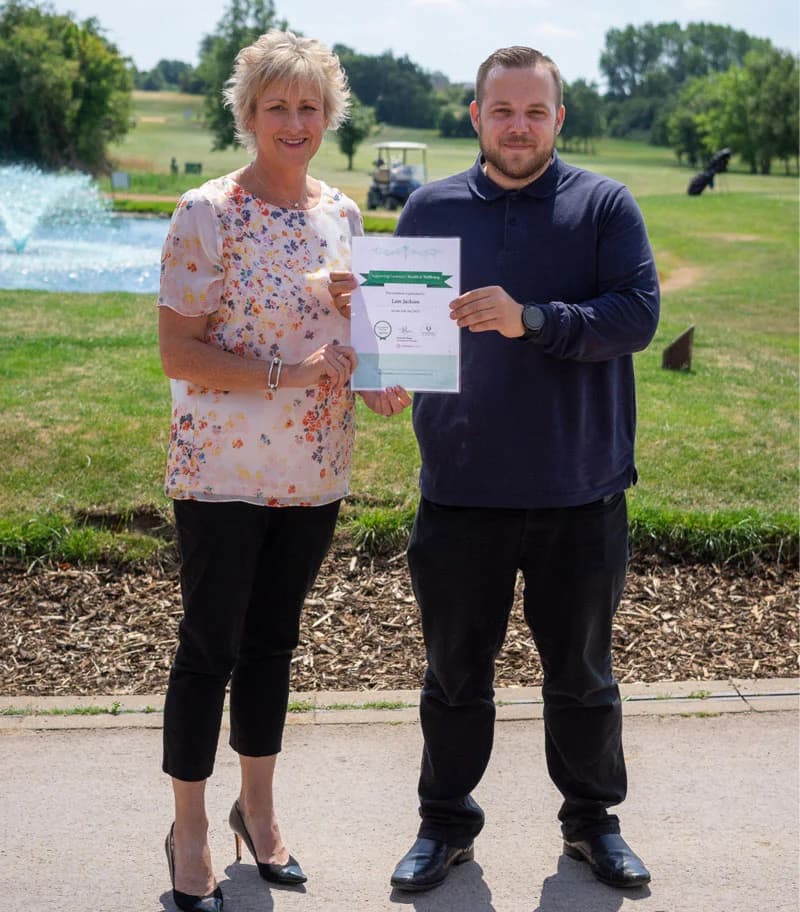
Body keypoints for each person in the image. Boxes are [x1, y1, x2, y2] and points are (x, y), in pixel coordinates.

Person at [333, 45, 659, 894]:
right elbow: (402, 333)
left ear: (560, 118)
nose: (519, 126)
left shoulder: (603, 206)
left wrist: (535, 319)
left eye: (536, 111)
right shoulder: (432, 207)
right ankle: (445, 825)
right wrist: (378, 362)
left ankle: (592, 822)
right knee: (452, 675)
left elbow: (636, 315)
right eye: (502, 110)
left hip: (579, 486)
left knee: (583, 676)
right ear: (475, 117)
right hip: (461, 486)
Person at [157, 29, 408, 912]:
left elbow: (354, 339)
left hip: (314, 472)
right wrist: (282, 375)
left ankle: (255, 812)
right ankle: (188, 828)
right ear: (249, 114)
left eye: (310, 107)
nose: (294, 122)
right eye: (277, 107)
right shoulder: (206, 212)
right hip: (220, 473)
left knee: (272, 645)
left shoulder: (342, 215)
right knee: (209, 647)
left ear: (329, 116)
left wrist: (376, 382)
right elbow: (176, 352)